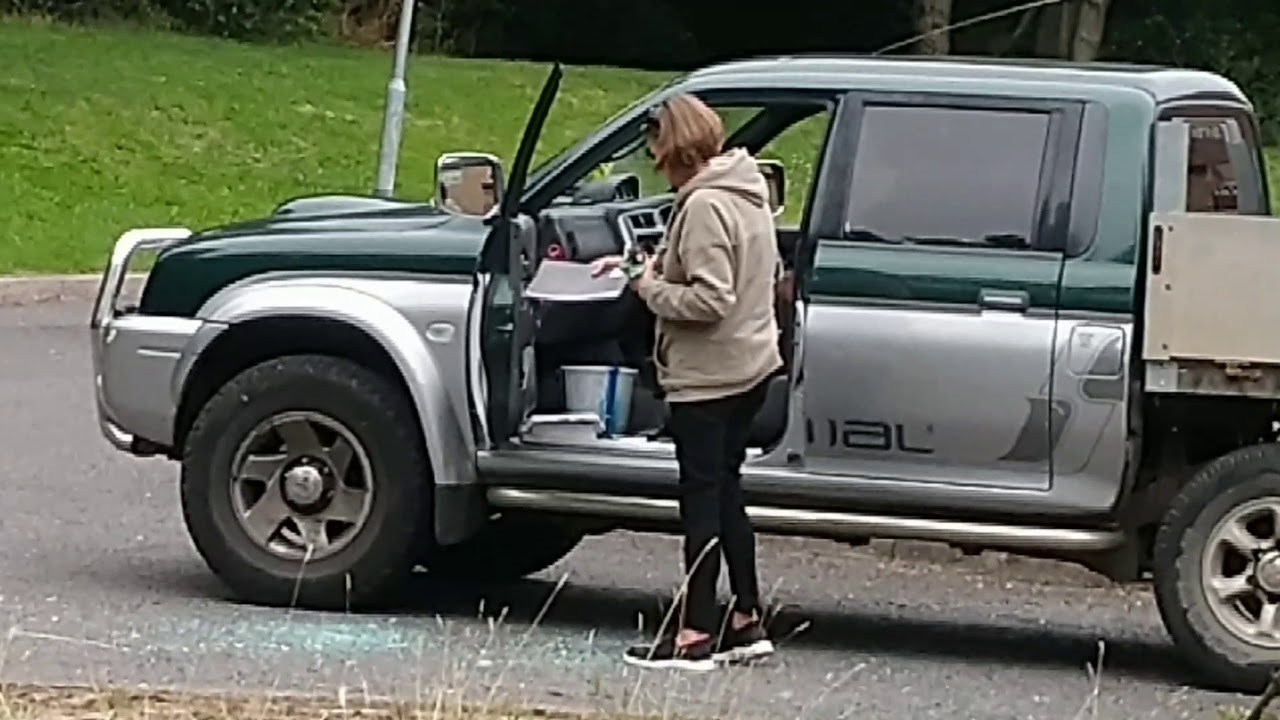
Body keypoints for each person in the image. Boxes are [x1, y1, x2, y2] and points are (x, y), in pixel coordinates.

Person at [592, 94, 784, 671]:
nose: (656, 161)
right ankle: (747, 619)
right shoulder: (746, 191)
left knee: (700, 501)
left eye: (657, 149)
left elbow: (708, 298)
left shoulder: (701, 206)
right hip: (750, 366)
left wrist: (644, 287)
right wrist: (650, 266)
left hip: (709, 377)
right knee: (727, 494)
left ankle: (694, 633)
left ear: (673, 147)